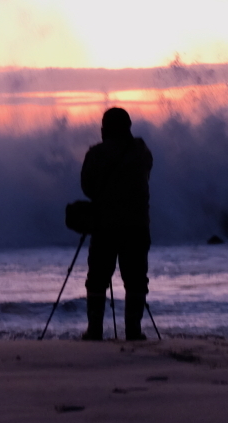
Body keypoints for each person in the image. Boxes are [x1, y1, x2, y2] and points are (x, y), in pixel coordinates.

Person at [80, 107, 152, 341]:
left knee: (98, 279)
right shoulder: (141, 151)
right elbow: (147, 172)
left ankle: (95, 330)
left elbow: (87, 187)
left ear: (106, 128)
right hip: (136, 226)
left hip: (104, 226)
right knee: (136, 279)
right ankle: (133, 330)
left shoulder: (96, 154)